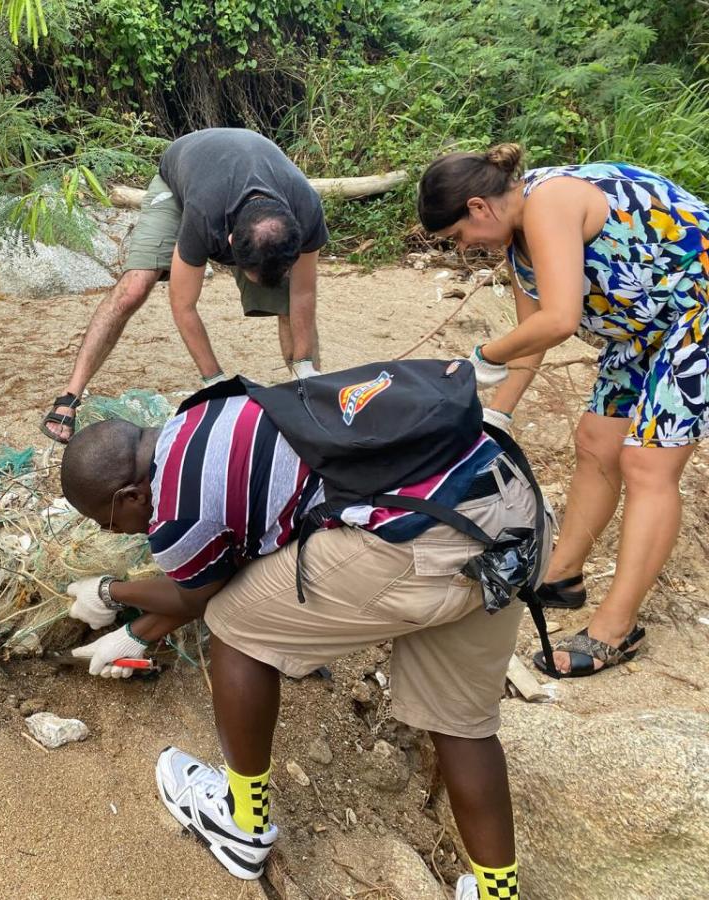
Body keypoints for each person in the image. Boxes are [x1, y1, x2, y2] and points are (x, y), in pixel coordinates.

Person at [58, 391, 544, 899]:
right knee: (461, 724)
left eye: (107, 522)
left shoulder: (177, 505)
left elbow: (200, 597)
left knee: (235, 627)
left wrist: (108, 592)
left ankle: (242, 823)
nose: (111, 532)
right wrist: (135, 633)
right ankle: (497, 894)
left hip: (423, 540)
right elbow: (243, 559)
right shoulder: (205, 415)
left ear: (131, 496)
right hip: (506, 509)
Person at [417, 144, 708, 678]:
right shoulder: (518, 240)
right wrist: (495, 418)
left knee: (648, 462)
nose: (465, 248)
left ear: (479, 207)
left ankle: (617, 626)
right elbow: (535, 340)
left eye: (459, 235)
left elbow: (559, 318)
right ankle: (563, 575)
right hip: (647, 328)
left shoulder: (547, 202)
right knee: (596, 442)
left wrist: (480, 356)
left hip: (698, 310)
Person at [40, 128, 329, 442]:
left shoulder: (306, 210)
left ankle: (309, 395)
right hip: (181, 175)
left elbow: (303, 293)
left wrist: (304, 365)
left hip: (241, 175)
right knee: (135, 287)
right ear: (229, 242)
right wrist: (216, 382)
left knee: (285, 299)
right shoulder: (205, 213)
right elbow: (183, 304)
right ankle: (70, 394)